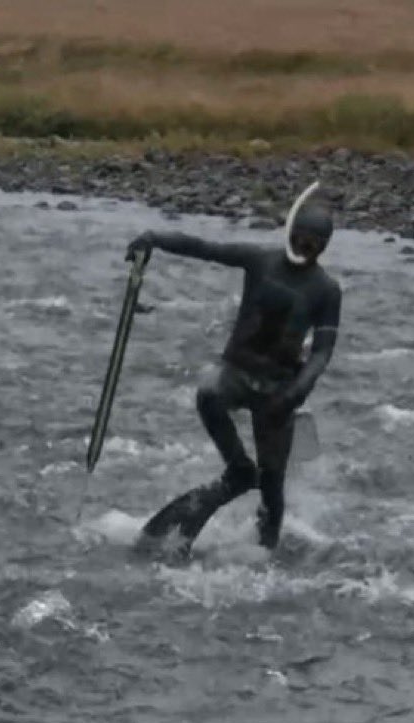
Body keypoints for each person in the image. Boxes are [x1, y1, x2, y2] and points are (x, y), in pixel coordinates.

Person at [127, 181, 341, 556]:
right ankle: (239, 469)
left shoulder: (326, 290)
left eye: (315, 243)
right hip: (237, 373)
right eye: (302, 238)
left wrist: (295, 392)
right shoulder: (260, 260)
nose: (306, 248)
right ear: (291, 232)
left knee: (273, 489)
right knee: (209, 394)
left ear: (324, 247)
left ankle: (264, 557)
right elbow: (204, 248)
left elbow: (322, 352)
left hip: (280, 391)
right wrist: (154, 238)